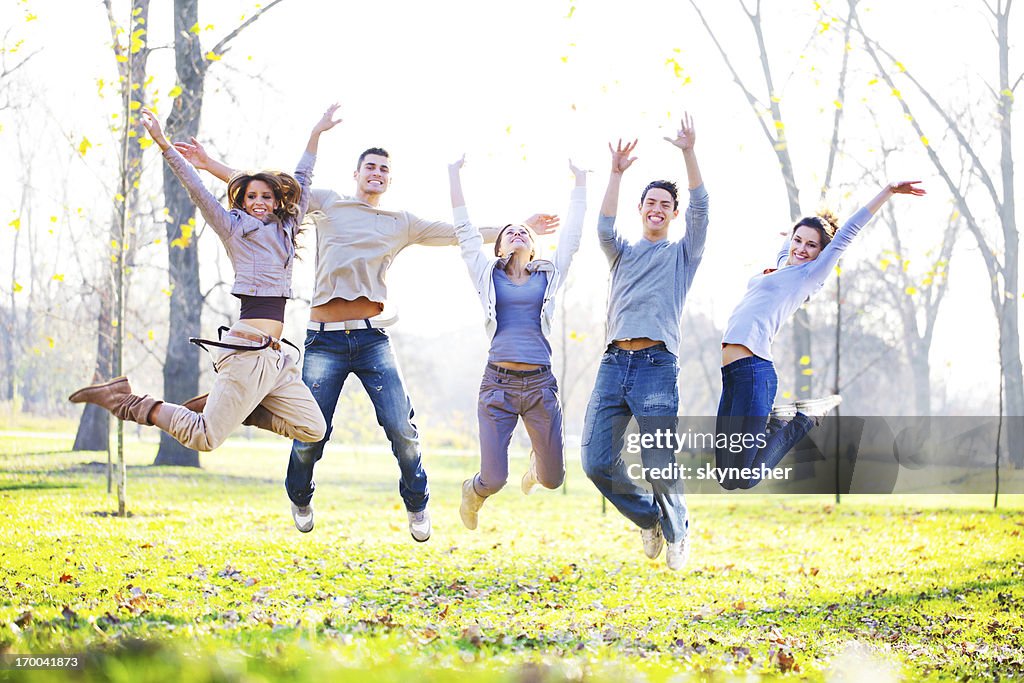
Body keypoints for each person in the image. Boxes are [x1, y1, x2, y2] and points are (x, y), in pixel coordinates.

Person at [174, 136, 557, 541]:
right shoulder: (327, 202)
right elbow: (267, 191)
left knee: (401, 428)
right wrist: (206, 163)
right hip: (324, 342)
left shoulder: (400, 221)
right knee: (311, 434)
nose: (377, 173)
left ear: (389, 180)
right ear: (356, 174)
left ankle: (417, 502)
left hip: (373, 340)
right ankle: (300, 495)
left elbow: (458, 233)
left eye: (384, 169)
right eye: (370, 167)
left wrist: (520, 230)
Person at [69, 105, 343, 452]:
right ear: (241, 201)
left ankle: (246, 404)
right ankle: (127, 400)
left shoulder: (287, 229)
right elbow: (196, 188)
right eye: (251, 196)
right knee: (205, 438)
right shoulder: (233, 228)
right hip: (247, 350)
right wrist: (164, 145)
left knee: (313, 427)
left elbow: (303, 180)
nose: (259, 202)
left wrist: (316, 132)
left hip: (275, 358)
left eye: (266, 196)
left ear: (276, 201)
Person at [716, 180, 926, 490]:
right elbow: (789, 245)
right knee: (725, 476)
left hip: (754, 371)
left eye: (811, 245)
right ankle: (779, 420)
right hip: (733, 374)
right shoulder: (781, 267)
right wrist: (796, 232)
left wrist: (888, 191)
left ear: (821, 253)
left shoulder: (808, 275)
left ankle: (802, 420)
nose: (801, 249)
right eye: (797, 241)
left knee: (743, 478)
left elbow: (847, 235)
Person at [580, 113, 708, 571]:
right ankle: (648, 517)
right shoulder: (622, 253)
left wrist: (688, 153)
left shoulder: (682, 255)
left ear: (672, 214)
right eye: (649, 201)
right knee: (595, 461)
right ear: (642, 209)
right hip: (614, 364)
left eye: (664, 204)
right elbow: (602, 228)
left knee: (658, 462)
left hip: (656, 365)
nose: (656, 208)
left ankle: (678, 531)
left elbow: (702, 209)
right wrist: (614, 174)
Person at [447, 156, 587, 530]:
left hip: (541, 386)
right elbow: (464, 230)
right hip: (498, 385)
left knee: (553, 479)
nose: (518, 233)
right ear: (498, 247)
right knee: (493, 479)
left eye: (524, 231)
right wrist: (453, 173)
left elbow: (571, 239)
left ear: (535, 246)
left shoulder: (549, 277)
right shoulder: (486, 275)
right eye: (510, 231)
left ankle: (536, 465)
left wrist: (581, 182)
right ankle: (472, 492)